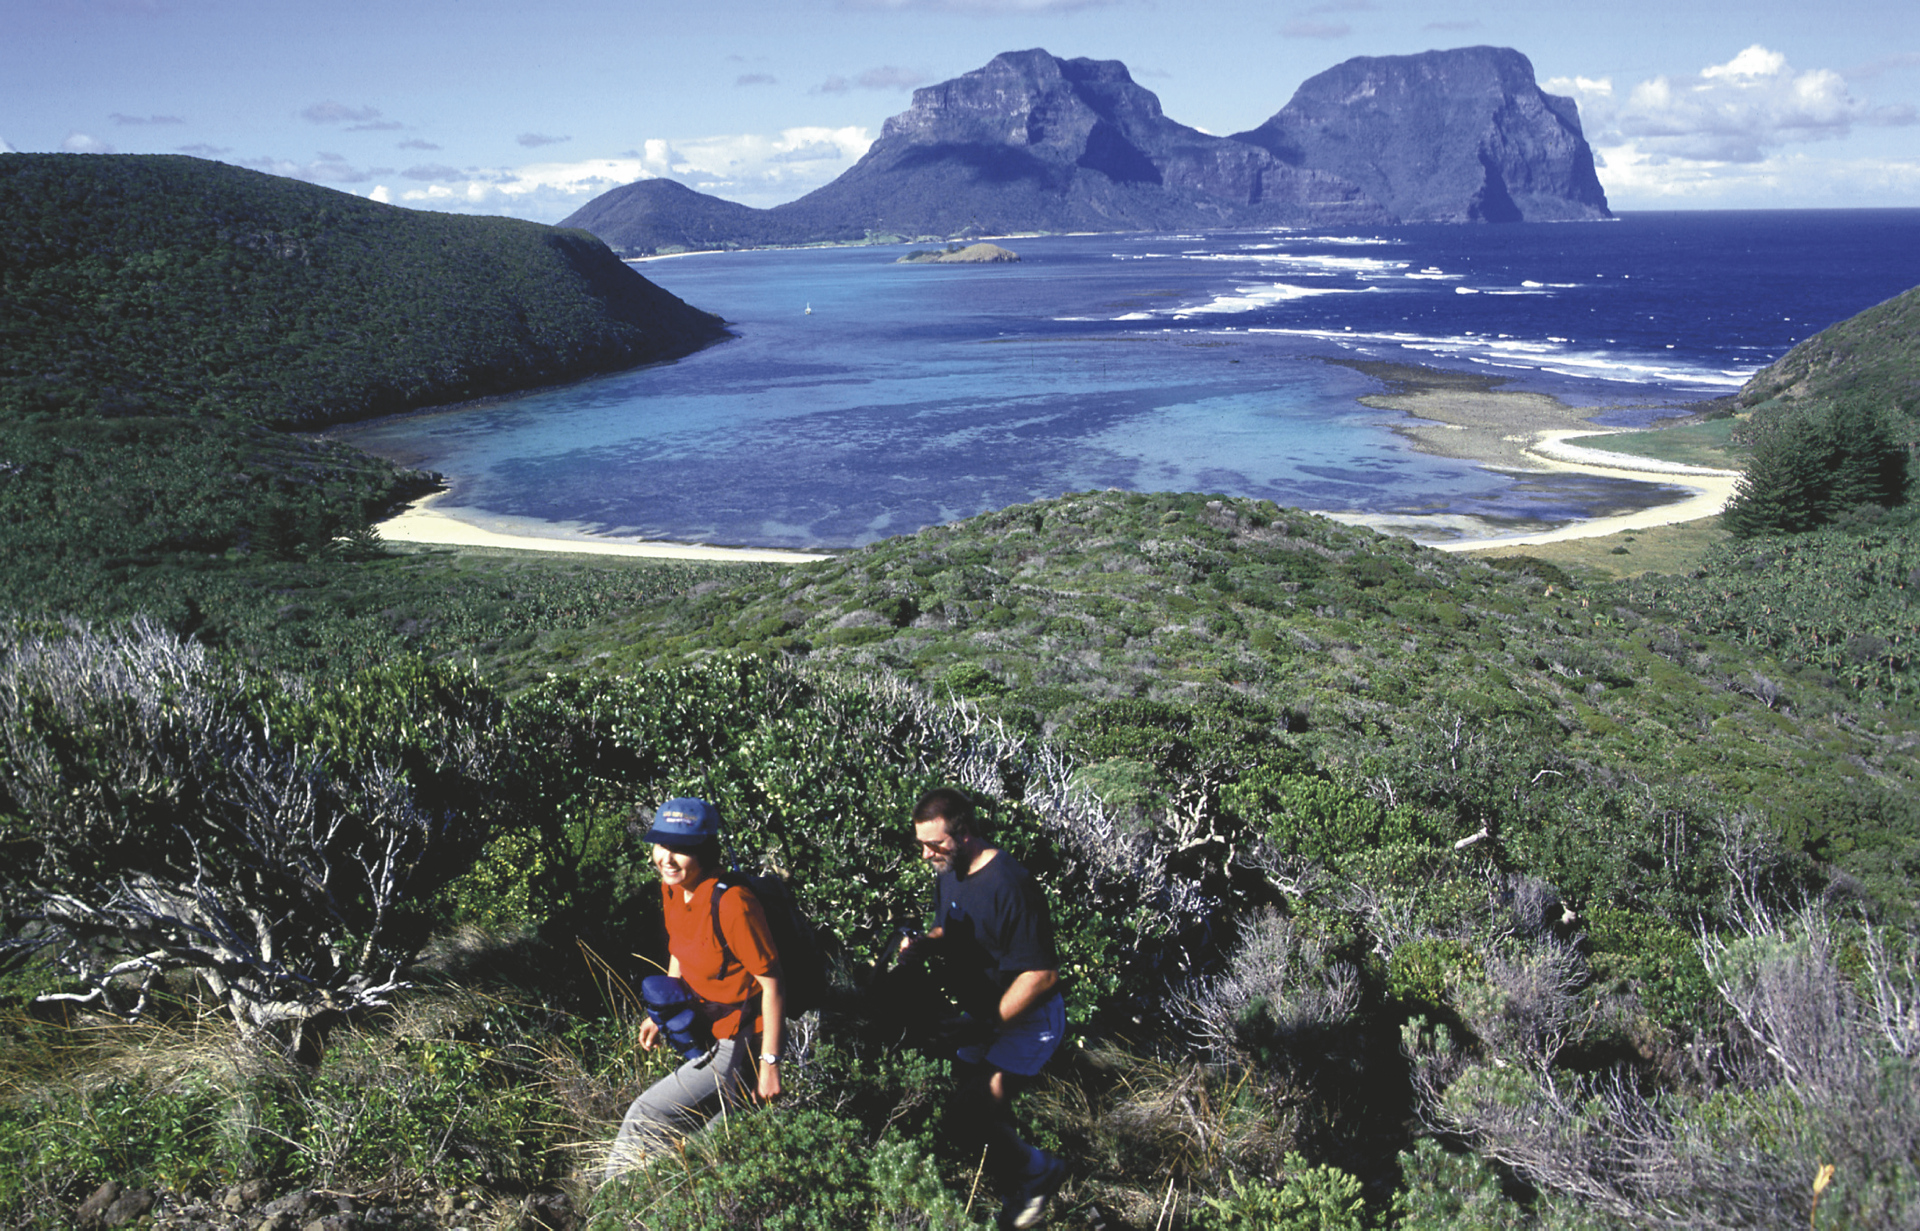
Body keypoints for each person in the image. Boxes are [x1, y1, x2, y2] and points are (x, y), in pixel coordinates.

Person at [901, 787, 1068, 1231]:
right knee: (968, 1112)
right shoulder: (950, 869)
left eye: (934, 844)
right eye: (921, 845)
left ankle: (1039, 1173)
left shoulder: (1009, 883)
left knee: (971, 1110)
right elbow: (947, 926)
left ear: (965, 833)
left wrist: (985, 1025)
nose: (926, 855)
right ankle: (1016, 1187)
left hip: (1026, 1021)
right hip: (983, 1017)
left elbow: (1040, 975)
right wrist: (923, 945)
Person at [605, 797, 784, 1178]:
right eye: (661, 845)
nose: (667, 859)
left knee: (644, 1114)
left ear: (704, 850)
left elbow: (773, 985)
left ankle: (613, 1200)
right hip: (702, 1027)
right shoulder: (673, 888)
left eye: (681, 849)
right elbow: (680, 947)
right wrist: (663, 1013)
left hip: (736, 1038)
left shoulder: (733, 904)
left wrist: (770, 1064)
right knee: (714, 1139)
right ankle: (669, 1196)